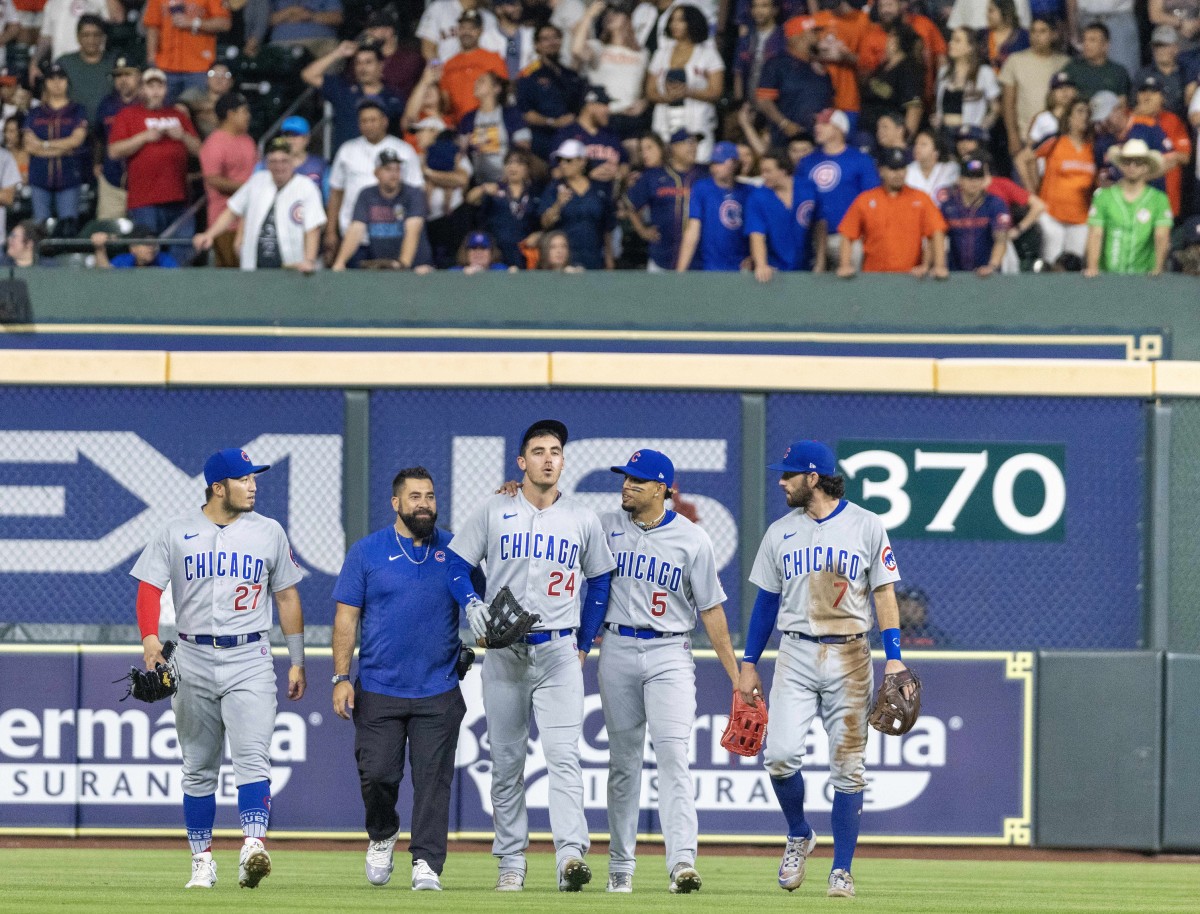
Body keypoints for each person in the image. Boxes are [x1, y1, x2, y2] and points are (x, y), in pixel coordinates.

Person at [445, 418, 616, 892]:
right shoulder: (494, 508)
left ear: (563, 460)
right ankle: (510, 863)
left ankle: (569, 858)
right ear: (522, 462)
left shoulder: (582, 519)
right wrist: (472, 602)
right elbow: (457, 563)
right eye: (538, 450)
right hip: (503, 654)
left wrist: (584, 642)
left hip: (558, 649)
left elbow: (600, 578)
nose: (547, 458)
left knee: (564, 758)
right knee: (506, 762)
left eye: (555, 450)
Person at [738, 439, 909, 900]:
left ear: (813, 478)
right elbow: (766, 603)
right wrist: (748, 662)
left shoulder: (867, 526)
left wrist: (893, 655)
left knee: (849, 768)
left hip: (852, 655)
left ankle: (842, 870)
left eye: (789, 474)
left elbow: (884, 595)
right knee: (778, 755)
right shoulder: (780, 532)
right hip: (794, 653)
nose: (781, 480)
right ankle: (798, 833)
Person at [130, 447, 307, 891]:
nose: (253, 485)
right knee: (198, 766)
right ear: (217, 487)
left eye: (253, 478)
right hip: (191, 655)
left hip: (251, 655)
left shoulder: (269, 532)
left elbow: (286, 597)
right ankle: (202, 860)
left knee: (252, 756)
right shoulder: (176, 531)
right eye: (244, 479)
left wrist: (298, 659)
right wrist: (150, 637)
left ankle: (252, 847)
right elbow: (150, 588)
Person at [596, 448, 740, 895]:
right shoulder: (602, 527)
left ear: (662, 489)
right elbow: (552, 515)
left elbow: (711, 611)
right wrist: (512, 493)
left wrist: (738, 677)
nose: (627, 486)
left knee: (674, 757)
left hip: (670, 652)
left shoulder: (692, 539)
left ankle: (682, 863)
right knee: (623, 764)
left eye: (637, 481)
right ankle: (620, 865)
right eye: (625, 478)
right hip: (616, 646)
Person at [331, 466, 466, 893]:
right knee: (377, 777)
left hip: (438, 689)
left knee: (433, 783)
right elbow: (345, 618)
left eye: (429, 496)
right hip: (379, 689)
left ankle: (426, 862)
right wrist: (340, 676)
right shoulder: (367, 552)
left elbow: (483, 602)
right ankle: (383, 833)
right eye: (414, 497)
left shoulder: (457, 550)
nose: (424, 503)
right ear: (396, 503)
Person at [194, 136, 326, 271]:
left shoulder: (307, 187)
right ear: (267, 163)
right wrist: (209, 234)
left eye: (284, 161)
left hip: (292, 268)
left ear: (292, 162)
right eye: (273, 161)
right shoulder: (257, 182)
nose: (279, 166)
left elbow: (313, 228)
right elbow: (232, 211)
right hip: (255, 268)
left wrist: (309, 260)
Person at [107, 66, 201, 238]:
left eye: (160, 87)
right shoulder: (127, 114)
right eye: (151, 87)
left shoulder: (178, 115)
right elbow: (114, 151)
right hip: (144, 200)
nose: (156, 92)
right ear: (142, 89)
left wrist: (183, 136)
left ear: (166, 90)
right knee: (146, 250)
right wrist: (142, 138)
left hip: (178, 197)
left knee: (183, 247)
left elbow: (201, 151)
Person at [325, 100, 423, 263]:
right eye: (364, 121)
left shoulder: (403, 150)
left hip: (393, 235)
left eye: (373, 120)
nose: (368, 125)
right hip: (353, 235)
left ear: (384, 121)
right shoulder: (347, 150)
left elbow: (415, 193)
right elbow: (336, 193)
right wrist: (330, 231)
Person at [838, 145, 949, 276]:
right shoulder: (866, 199)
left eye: (902, 168)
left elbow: (937, 231)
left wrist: (939, 266)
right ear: (881, 171)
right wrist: (844, 265)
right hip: (874, 278)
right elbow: (847, 234)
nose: (898, 174)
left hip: (911, 278)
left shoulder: (920, 198)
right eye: (893, 169)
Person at [797, 107, 878, 272]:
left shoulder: (860, 161)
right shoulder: (806, 161)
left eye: (824, 124)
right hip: (811, 238)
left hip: (848, 238)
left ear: (840, 128)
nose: (817, 127)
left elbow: (872, 200)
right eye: (817, 123)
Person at [1084, 138, 1172, 276]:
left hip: (1144, 277)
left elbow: (1161, 236)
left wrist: (1157, 269)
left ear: (1146, 166)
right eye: (1127, 161)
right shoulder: (1103, 197)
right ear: (1121, 165)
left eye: (1138, 162)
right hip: (1108, 277)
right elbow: (1095, 234)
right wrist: (1092, 268)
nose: (1132, 166)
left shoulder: (1159, 200)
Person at [646, 4, 723, 161]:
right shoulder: (661, 54)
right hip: (664, 122)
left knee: (697, 169)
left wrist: (688, 92)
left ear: (692, 23)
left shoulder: (708, 54)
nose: (674, 24)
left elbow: (716, 91)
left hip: (697, 123)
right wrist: (668, 97)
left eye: (680, 20)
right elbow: (650, 91)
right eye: (672, 20)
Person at [331, 147, 427, 270]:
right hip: (384, 267)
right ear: (376, 173)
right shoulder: (367, 194)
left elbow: (412, 230)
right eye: (388, 169)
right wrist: (340, 262)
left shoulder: (413, 194)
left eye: (397, 169)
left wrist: (403, 264)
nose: (394, 174)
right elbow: (356, 228)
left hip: (415, 268)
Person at [303, 41, 406, 153]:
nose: (362, 68)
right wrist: (338, 53)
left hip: (383, 162)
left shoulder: (394, 96)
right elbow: (308, 75)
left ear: (381, 65)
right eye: (358, 63)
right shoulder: (343, 89)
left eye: (368, 62)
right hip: (346, 162)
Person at [625, 128, 704, 270]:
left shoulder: (705, 174)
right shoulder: (654, 176)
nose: (693, 147)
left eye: (696, 143)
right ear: (674, 147)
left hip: (699, 259)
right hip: (661, 258)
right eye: (688, 143)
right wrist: (642, 230)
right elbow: (630, 204)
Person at [24, 61, 86, 233]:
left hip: (68, 177)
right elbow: (29, 146)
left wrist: (44, 144)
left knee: (68, 228)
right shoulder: (35, 112)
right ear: (45, 83)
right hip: (39, 178)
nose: (57, 83)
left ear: (67, 82)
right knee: (39, 230)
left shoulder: (77, 110)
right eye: (51, 79)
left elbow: (76, 141)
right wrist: (63, 147)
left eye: (61, 78)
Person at [572, 1, 649, 141]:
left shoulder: (642, 53)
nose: (611, 16)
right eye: (608, 14)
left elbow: (645, 87)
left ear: (628, 19)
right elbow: (577, 50)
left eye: (617, 13)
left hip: (631, 117)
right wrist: (588, 15)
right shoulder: (598, 48)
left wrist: (645, 102)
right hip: (605, 116)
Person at [1034, 97, 1095, 264]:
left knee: (1073, 267)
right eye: (1080, 112)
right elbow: (1024, 158)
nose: (1084, 117)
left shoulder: (1093, 146)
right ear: (1068, 117)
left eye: (1087, 113)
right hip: (1052, 214)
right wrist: (1032, 190)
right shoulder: (1054, 141)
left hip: (1081, 217)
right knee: (1051, 264)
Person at [199, 91, 257, 268]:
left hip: (250, 220)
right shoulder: (214, 143)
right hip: (224, 223)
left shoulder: (248, 140)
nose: (248, 116)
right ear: (231, 114)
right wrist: (248, 189)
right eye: (244, 111)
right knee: (229, 274)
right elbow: (213, 179)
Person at [538, 136, 615, 269]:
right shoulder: (554, 188)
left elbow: (607, 229)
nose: (563, 164)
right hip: (564, 261)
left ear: (582, 161)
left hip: (594, 258)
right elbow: (544, 223)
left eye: (568, 160)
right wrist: (558, 204)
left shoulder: (599, 190)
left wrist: (609, 260)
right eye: (560, 160)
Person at [999, 15, 1069, 159]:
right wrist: (1013, 137)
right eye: (1033, 31)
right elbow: (1007, 104)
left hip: (1058, 137)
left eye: (1042, 31)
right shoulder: (1015, 61)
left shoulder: (1065, 63)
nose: (1037, 36)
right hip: (1026, 138)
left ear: (1053, 34)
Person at [754, 19, 833, 148]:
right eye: (812, 33)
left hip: (817, 141)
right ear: (797, 37)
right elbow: (763, 100)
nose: (818, 37)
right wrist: (784, 123)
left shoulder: (820, 68)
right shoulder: (777, 65)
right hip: (786, 141)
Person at [675, 141, 752, 271]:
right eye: (713, 163)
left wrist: (754, 257)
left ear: (734, 163)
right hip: (710, 267)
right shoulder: (702, 188)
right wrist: (680, 271)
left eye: (720, 163)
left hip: (742, 268)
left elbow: (757, 231)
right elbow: (693, 230)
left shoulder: (749, 191)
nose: (715, 168)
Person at [517, 23, 587, 162]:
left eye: (555, 38)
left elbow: (581, 105)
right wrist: (552, 122)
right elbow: (525, 113)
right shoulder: (529, 76)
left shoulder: (571, 75)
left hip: (571, 136)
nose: (551, 42)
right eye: (546, 39)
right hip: (542, 139)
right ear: (537, 45)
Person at [746, 147, 817, 280]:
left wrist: (820, 261)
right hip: (776, 270)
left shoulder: (808, 189)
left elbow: (820, 225)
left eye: (768, 171)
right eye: (762, 171)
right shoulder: (758, 197)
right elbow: (756, 234)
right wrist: (761, 265)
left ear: (783, 170)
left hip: (807, 266)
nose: (763, 176)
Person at [142, 0, 231, 101]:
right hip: (165, 65)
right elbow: (152, 25)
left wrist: (194, 23)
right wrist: (151, 59)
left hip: (198, 67)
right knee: (164, 111)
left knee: (196, 111)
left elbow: (224, 23)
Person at [466, 148, 540, 267]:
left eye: (519, 163)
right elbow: (470, 199)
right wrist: (483, 189)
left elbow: (542, 222)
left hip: (524, 253)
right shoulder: (495, 189)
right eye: (509, 163)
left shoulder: (534, 193)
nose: (513, 167)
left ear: (527, 168)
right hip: (496, 253)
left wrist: (539, 234)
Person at [940, 155, 1011, 274]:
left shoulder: (995, 204)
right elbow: (938, 237)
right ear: (960, 179)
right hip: (955, 275)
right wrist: (939, 265)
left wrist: (992, 266)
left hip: (987, 275)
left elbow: (1001, 239)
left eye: (978, 178)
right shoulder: (948, 206)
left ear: (984, 180)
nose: (974, 182)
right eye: (969, 177)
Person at [458, 71, 532, 185]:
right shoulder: (468, 119)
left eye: (482, 81)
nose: (476, 84)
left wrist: (510, 172)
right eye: (476, 81)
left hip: (507, 180)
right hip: (477, 182)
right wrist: (465, 144)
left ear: (496, 88)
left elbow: (523, 146)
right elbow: (459, 151)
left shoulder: (510, 114)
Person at [934, 27, 1000, 144]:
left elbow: (996, 108)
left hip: (970, 135)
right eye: (951, 40)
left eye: (957, 40)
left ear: (970, 47)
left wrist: (982, 127)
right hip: (944, 134)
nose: (951, 43)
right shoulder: (943, 73)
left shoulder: (983, 73)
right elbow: (939, 105)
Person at [441, 9, 508, 123]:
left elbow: (503, 94)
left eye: (472, 28)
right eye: (463, 28)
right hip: (457, 124)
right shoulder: (449, 64)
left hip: (487, 122)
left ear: (480, 31)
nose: (466, 32)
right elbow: (445, 102)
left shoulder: (494, 58)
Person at [859, 23, 923, 140]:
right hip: (869, 129)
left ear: (897, 41)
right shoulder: (883, 66)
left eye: (891, 36)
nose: (887, 39)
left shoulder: (909, 69)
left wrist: (904, 142)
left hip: (890, 134)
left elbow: (914, 107)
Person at [93, 55, 138, 220]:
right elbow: (99, 135)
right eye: (118, 76)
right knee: (108, 231)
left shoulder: (146, 103)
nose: (123, 80)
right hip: (111, 178)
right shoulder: (107, 104)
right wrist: (97, 162)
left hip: (142, 181)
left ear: (139, 76)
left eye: (128, 74)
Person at [53, 14, 117, 122]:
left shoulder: (113, 62)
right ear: (78, 37)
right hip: (71, 126)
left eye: (96, 35)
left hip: (107, 128)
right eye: (86, 35)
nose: (91, 40)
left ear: (102, 37)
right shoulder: (64, 63)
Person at [1066, 1, 1139, 81]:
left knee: (1125, 76)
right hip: (1086, 18)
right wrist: (1073, 28)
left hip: (1119, 17)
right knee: (1086, 78)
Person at [1062, 20, 1130, 99]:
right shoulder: (1072, 68)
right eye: (1084, 40)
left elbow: (1123, 102)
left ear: (1105, 45)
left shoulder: (1118, 72)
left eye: (1092, 40)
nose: (1086, 44)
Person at [417, 0, 501, 63]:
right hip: (446, 75)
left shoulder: (489, 18)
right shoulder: (439, 8)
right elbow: (427, 49)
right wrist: (438, 72)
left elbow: (495, 50)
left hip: (480, 77)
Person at [735, 0, 785, 102]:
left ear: (775, 10)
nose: (758, 11)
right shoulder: (745, 39)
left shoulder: (784, 38)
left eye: (764, 6)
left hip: (775, 104)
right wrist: (739, 104)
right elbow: (738, 73)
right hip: (749, 103)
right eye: (755, 6)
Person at [1136, 26, 1186, 121]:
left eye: (1165, 46)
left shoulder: (1185, 73)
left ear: (1176, 48)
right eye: (1157, 46)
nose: (1160, 50)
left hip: (1179, 128)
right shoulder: (1143, 74)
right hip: (1151, 127)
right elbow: (1134, 105)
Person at [268, 0, 343, 59]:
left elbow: (337, 18)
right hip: (282, 44)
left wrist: (310, 16)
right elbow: (265, 22)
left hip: (319, 43)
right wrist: (289, 12)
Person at [906, 127, 959, 203]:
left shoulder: (951, 169)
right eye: (916, 144)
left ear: (936, 152)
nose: (917, 147)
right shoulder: (908, 170)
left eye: (923, 144)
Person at [91, 225, 181, 267]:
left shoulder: (165, 260)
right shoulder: (123, 261)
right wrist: (100, 249)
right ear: (133, 248)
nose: (151, 247)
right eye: (146, 244)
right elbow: (106, 280)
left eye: (153, 243)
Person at [494, 0, 536, 82]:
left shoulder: (532, 34)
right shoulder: (486, 37)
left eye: (520, 4)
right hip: (498, 87)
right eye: (512, 4)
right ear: (498, 9)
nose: (518, 8)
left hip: (527, 85)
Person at [984, 0, 1029, 71]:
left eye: (991, 11)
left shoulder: (1024, 37)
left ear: (1005, 11)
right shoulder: (981, 35)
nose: (987, 14)